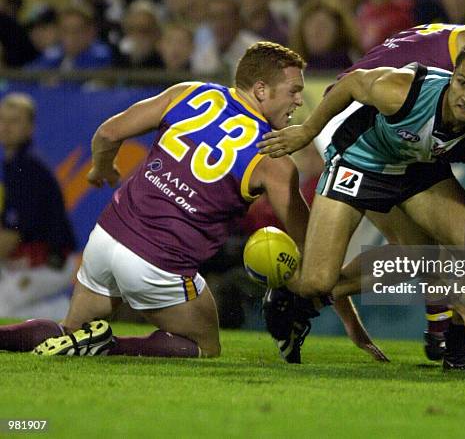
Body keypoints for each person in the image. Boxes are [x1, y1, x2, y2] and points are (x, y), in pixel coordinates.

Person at [0, 42, 384, 362]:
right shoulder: (274, 160)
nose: (300, 101)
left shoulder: (191, 92)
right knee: (203, 345)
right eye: (293, 91)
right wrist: (351, 324)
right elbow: (314, 253)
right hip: (159, 262)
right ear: (262, 89)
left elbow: (108, 132)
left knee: (69, 334)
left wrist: (102, 169)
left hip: (106, 237)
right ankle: (109, 345)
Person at [265, 1, 465, 364]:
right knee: (390, 260)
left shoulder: (460, 61)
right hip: (364, 135)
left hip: (406, 142)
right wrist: (308, 130)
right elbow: (361, 85)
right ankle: (301, 296)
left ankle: (451, 334)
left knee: (446, 247)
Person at [0, 93, 77, 318]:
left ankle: (64, 313)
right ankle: (60, 311)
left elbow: (11, 237)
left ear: (30, 128)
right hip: (25, 262)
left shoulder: (29, 168)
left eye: (14, 121)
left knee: (3, 307)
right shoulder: (13, 164)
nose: (5, 127)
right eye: (2, 120)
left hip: (52, 263)